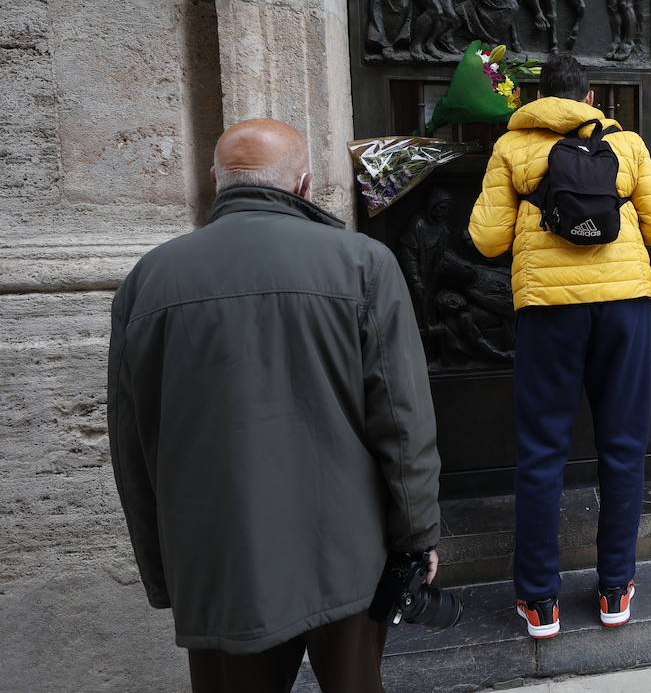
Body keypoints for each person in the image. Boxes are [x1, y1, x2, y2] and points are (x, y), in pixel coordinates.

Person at [107, 118, 442, 693]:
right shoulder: (363, 263)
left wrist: (165, 571)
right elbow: (402, 418)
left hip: (217, 557)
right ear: (305, 185)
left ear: (216, 181)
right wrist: (417, 535)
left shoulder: (148, 280)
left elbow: (133, 444)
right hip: (347, 553)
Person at [469, 54, 651, 638]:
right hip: (623, 310)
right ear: (589, 98)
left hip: (548, 314)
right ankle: (615, 589)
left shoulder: (511, 148)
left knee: (541, 452)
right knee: (622, 446)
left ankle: (539, 602)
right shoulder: (626, 144)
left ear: (537, 99)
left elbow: (486, 241)